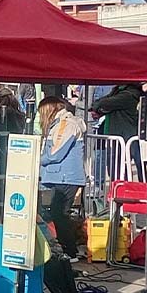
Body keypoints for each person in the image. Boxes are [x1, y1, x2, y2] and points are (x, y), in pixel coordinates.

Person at [39, 96, 86, 260]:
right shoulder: (63, 124)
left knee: (60, 214)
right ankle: (66, 248)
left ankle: (69, 251)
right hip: (62, 176)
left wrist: (36, 159)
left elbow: (54, 153)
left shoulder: (66, 124)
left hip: (65, 177)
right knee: (57, 213)